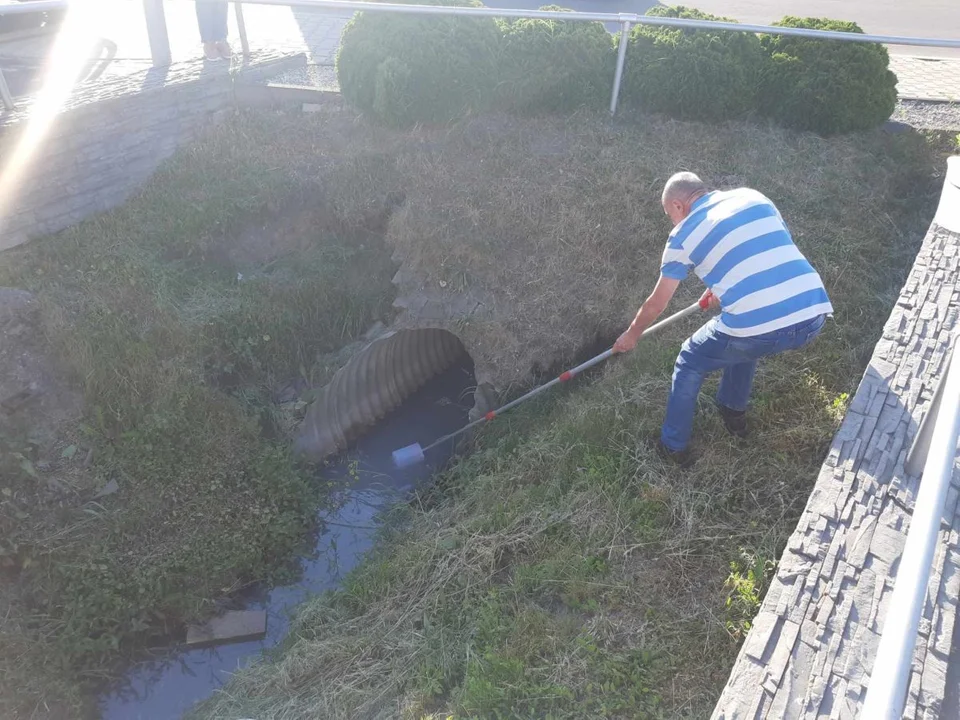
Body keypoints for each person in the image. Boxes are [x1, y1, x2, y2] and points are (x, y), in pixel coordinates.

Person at [613, 172, 832, 468]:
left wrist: (632, 334)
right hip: (813, 313)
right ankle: (732, 410)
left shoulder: (682, 236)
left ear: (677, 205)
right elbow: (763, 251)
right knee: (744, 340)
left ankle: (672, 446)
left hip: (759, 328)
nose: (672, 222)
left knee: (690, 359)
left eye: (669, 215)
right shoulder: (752, 196)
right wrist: (719, 287)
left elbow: (657, 303)